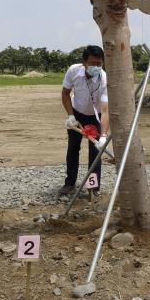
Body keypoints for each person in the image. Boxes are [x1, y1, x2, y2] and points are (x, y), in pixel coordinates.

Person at [58, 45, 110, 195]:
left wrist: (104, 135)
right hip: (77, 113)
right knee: (73, 149)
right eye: (92, 63)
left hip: (96, 116)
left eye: (99, 64)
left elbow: (106, 109)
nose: (96, 67)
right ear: (84, 62)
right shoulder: (73, 71)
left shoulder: (104, 79)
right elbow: (65, 93)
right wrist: (70, 115)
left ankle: (92, 187)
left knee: (95, 152)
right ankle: (70, 183)